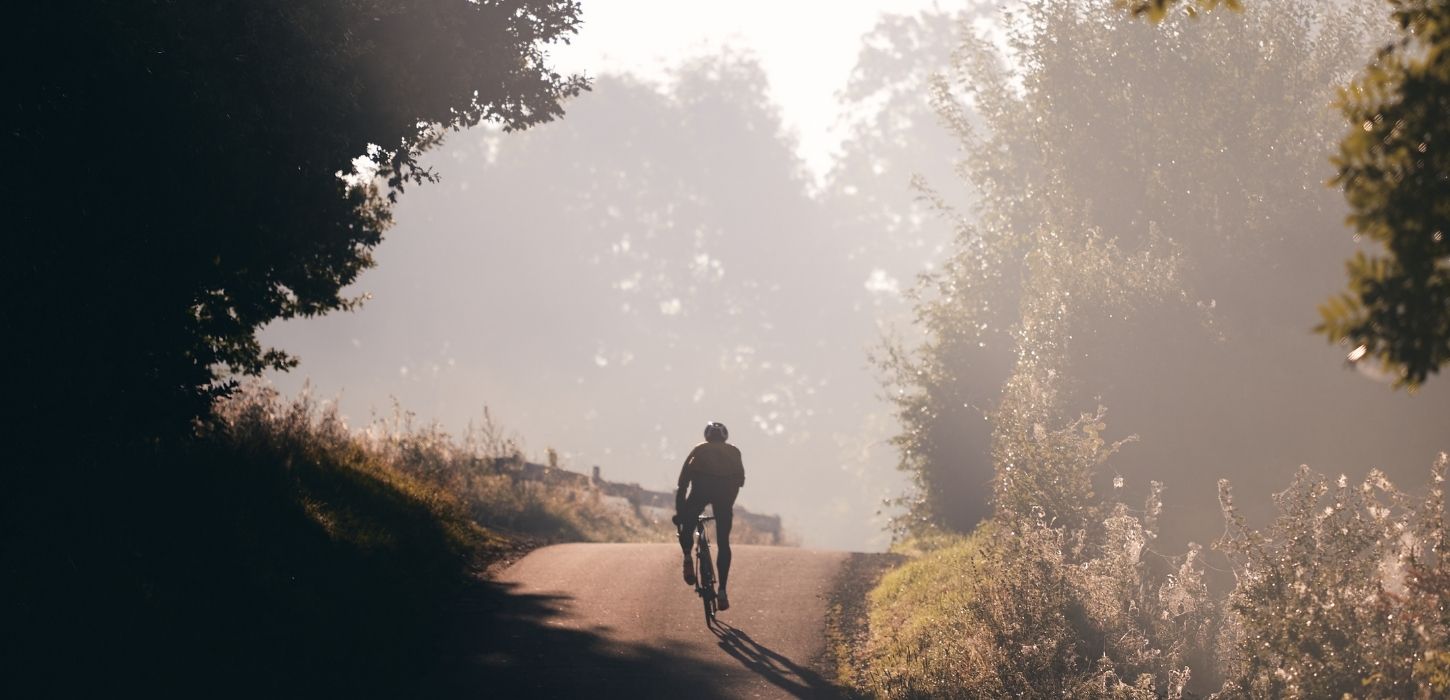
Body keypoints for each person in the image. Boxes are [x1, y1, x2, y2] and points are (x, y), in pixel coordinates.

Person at [672, 421, 745, 611]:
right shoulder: (734, 452)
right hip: (724, 497)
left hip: (699, 494)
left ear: (707, 436)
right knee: (723, 543)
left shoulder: (699, 450)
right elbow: (740, 481)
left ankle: (687, 557)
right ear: (725, 437)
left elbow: (683, 484)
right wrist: (728, 503)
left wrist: (681, 513)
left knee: (686, 525)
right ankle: (722, 591)